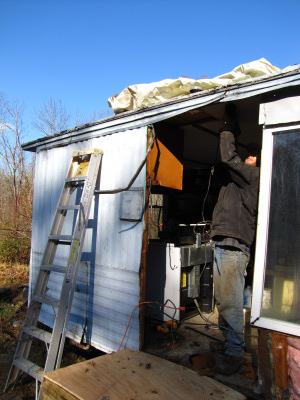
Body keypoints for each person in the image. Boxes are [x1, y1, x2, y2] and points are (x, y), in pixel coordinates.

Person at [210, 105, 260, 375]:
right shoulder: (239, 183)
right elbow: (228, 166)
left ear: (258, 159)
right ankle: (232, 343)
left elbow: (229, 159)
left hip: (232, 247)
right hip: (227, 246)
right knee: (232, 301)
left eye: (254, 153)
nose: (249, 157)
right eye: (248, 152)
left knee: (230, 303)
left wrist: (229, 128)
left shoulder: (253, 175)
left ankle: (233, 354)